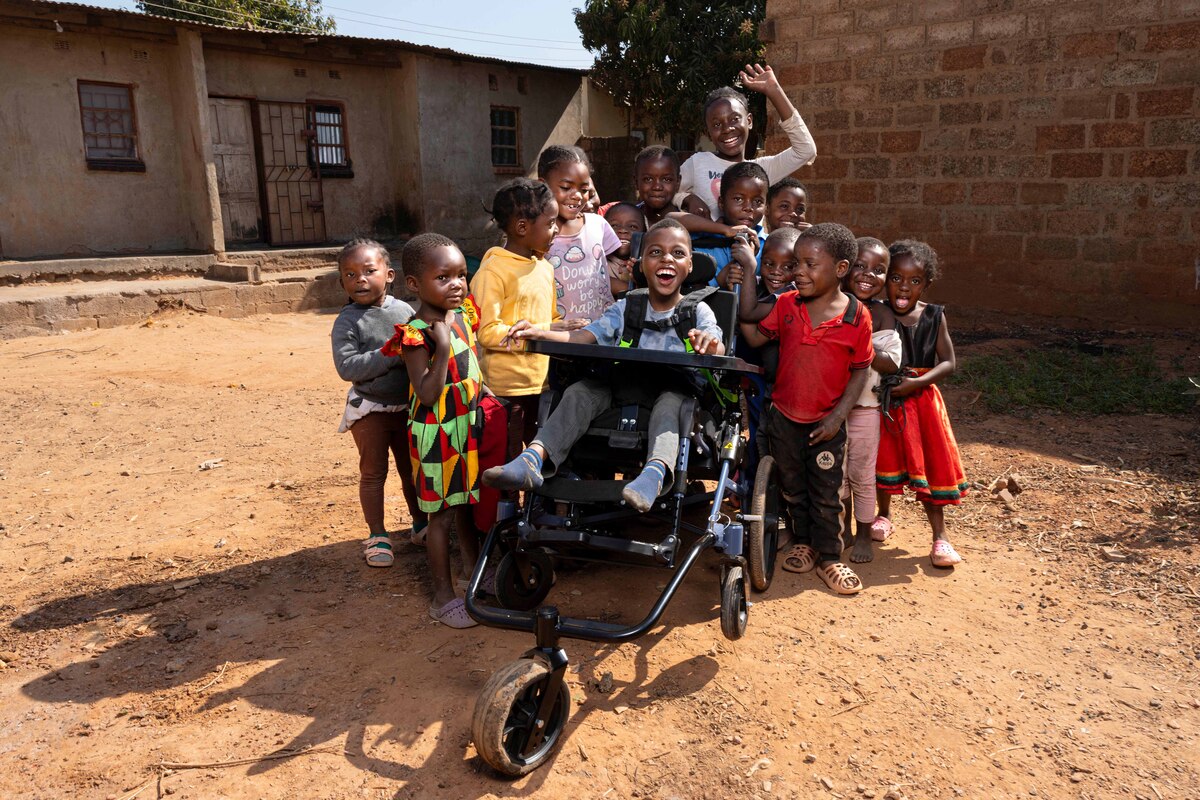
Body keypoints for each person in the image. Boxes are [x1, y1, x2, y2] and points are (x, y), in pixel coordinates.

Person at [482, 218, 725, 513]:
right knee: (581, 391)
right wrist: (541, 331)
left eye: (677, 253)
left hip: (673, 392)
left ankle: (653, 476)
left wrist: (710, 344)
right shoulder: (626, 307)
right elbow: (585, 336)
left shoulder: (698, 309)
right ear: (641, 265)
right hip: (622, 389)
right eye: (656, 252)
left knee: (671, 403)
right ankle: (532, 460)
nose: (666, 260)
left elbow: (716, 342)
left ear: (689, 265)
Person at [737, 223, 874, 595]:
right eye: (797, 263)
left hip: (825, 424)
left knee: (826, 493)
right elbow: (753, 333)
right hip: (782, 418)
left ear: (841, 269)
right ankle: (804, 542)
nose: (798, 271)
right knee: (793, 488)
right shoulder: (786, 305)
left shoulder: (856, 316)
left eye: (810, 264)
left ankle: (830, 556)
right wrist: (745, 278)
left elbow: (862, 369)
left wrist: (836, 418)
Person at [381, 233, 483, 628]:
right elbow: (425, 393)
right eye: (444, 277)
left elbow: (472, 367)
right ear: (414, 284)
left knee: (466, 502)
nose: (457, 284)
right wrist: (440, 348)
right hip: (434, 433)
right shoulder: (417, 333)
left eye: (461, 275)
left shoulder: (463, 315)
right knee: (439, 514)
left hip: (465, 424)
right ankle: (442, 596)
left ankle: (473, 570)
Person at [330, 239, 425, 567]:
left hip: (407, 407)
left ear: (389, 275)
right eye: (350, 274)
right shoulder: (347, 321)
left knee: (412, 470)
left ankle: (420, 523)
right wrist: (387, 353)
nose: (360, 279)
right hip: (370, 408)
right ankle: (377, 534)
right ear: (342, 282)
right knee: (373, 473)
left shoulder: (405, 311)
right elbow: (347, 367)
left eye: (369, 271)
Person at [874, 240, 969, 568]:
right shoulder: (877, 312)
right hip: (887, 401)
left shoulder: (933, 316)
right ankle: (883, 516)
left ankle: (940, 537)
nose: (904, 287)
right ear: (885, 278)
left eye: (914, 281)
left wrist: (916, 382)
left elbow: (949, 362)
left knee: (929, 465)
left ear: (926, 284)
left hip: (923, 403)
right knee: (884, 460)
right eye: (896, 278)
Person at [472, 178, 585, 444]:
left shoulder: (543, 266)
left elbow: (549, 321)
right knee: (509, 459)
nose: (556, 229)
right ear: (522, 227)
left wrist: (562, 329)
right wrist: (540, 332)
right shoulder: (493, 271)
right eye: (549, 224)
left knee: (540, 454)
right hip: (506, 391)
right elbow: (486, 332)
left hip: (543, 383)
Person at [677, 63, 816, 221]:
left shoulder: (760, 171)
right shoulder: (698, 163)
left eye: (735, 119)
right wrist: (686, 198)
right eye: (716, 124)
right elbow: (667, 193)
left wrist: (775, 92)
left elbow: (806, 150)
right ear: (708, 133)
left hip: (750, 245)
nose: (727, 128)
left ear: (749, 121)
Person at [840, 237, 902, 564]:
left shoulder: (882, 315)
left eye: (879, 270)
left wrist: (860, 338)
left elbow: (891, 362)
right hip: (831, 410)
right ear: (844, 266)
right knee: (836, 477)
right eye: (860, 265)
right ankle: (844, 530)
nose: (868, 274)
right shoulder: (831, 304)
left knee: (862, 475)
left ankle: (864, 533)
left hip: (865, 410)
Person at [537, 145, 623, 321]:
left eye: (584, 190)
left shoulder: (597, 224)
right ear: (542, 186)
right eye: (566, 187)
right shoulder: (536, 235)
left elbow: (609, 270)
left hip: (603, 332)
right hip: (556, 338)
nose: (577, 196)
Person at [694, 161, 769, 289]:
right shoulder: (703, 242)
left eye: (757, 201)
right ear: (721, 203)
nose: (748, 208)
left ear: (766, 207)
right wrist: (726, 230)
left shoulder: (769, 245)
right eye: (738, 199)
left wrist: (750, 260)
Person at [602, 201, 647, 295]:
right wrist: (628, 289)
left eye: (632, 226)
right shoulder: (598, 261)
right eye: (614, 225)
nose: (623, 230)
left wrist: (641, 280)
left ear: (644, 233)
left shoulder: (646, 264)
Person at [634, 145, 681, 225]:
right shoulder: (626, 220)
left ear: (678, 182)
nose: (657, 187)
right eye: (648, 179)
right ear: (636, 182)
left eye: (667, 179)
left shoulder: (693, 225)